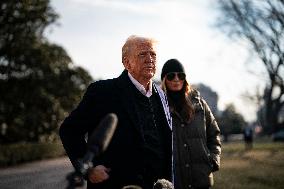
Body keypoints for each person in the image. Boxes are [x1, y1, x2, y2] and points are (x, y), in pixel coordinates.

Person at [59, 35, 173, 189]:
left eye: (153, 54)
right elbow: (69, 130)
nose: (149, 59)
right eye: (142, 54)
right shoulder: (102, 92)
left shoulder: (162, 95)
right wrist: (89, 169)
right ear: (127, 63)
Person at [161, 59, 221, 189]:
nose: (176, 79)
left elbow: (214, 134)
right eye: (171, 75)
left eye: (181, 75)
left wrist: (213, 160)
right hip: (174, 181)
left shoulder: (199, 104)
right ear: (164, 79)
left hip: (201, 179)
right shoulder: (158, 107)